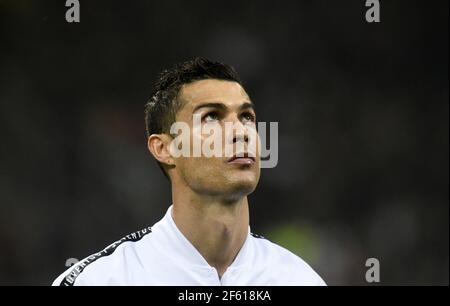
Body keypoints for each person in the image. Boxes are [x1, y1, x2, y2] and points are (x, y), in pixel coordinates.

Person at [52, 57, 326, 286]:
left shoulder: (300, 280)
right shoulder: (101, 280)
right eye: (211, 116)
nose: (240, 131)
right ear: (164, 148)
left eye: (246, 117)